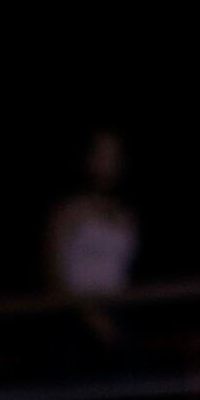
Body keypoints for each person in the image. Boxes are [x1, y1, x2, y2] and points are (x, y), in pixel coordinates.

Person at [47, 128, 140, 338]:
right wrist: (90, 317)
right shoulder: (69, 212)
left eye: (113, 156)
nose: (106, 164)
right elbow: (53, 271)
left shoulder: (126, 216)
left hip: (118, 309)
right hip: (74, 313)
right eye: (100, 155)